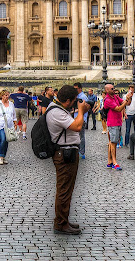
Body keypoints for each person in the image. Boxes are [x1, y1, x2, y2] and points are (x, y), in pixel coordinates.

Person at [45, 85, 90, 235]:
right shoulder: (56, 112)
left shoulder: (58, 108)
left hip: (67, 152)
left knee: (66, 189)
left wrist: (80, 109)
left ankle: (63, 220)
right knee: (64, 190)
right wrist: (81, 111)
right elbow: (77, 126)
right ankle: (60, 224)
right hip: (64, 154)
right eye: (73, 102)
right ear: (69, 100)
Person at [103, 84, 127, 170]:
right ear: (107, 90)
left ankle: (109, 161)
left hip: (117, 122)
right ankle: (114, 162)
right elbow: (118, 108)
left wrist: (125, 101)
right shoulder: (108, 100)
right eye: (112, 89)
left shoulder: (114, 97)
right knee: (113, 143)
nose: (114, 90)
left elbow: (123, 102)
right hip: (113, 123)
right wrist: (124, 103)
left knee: (112, 142)